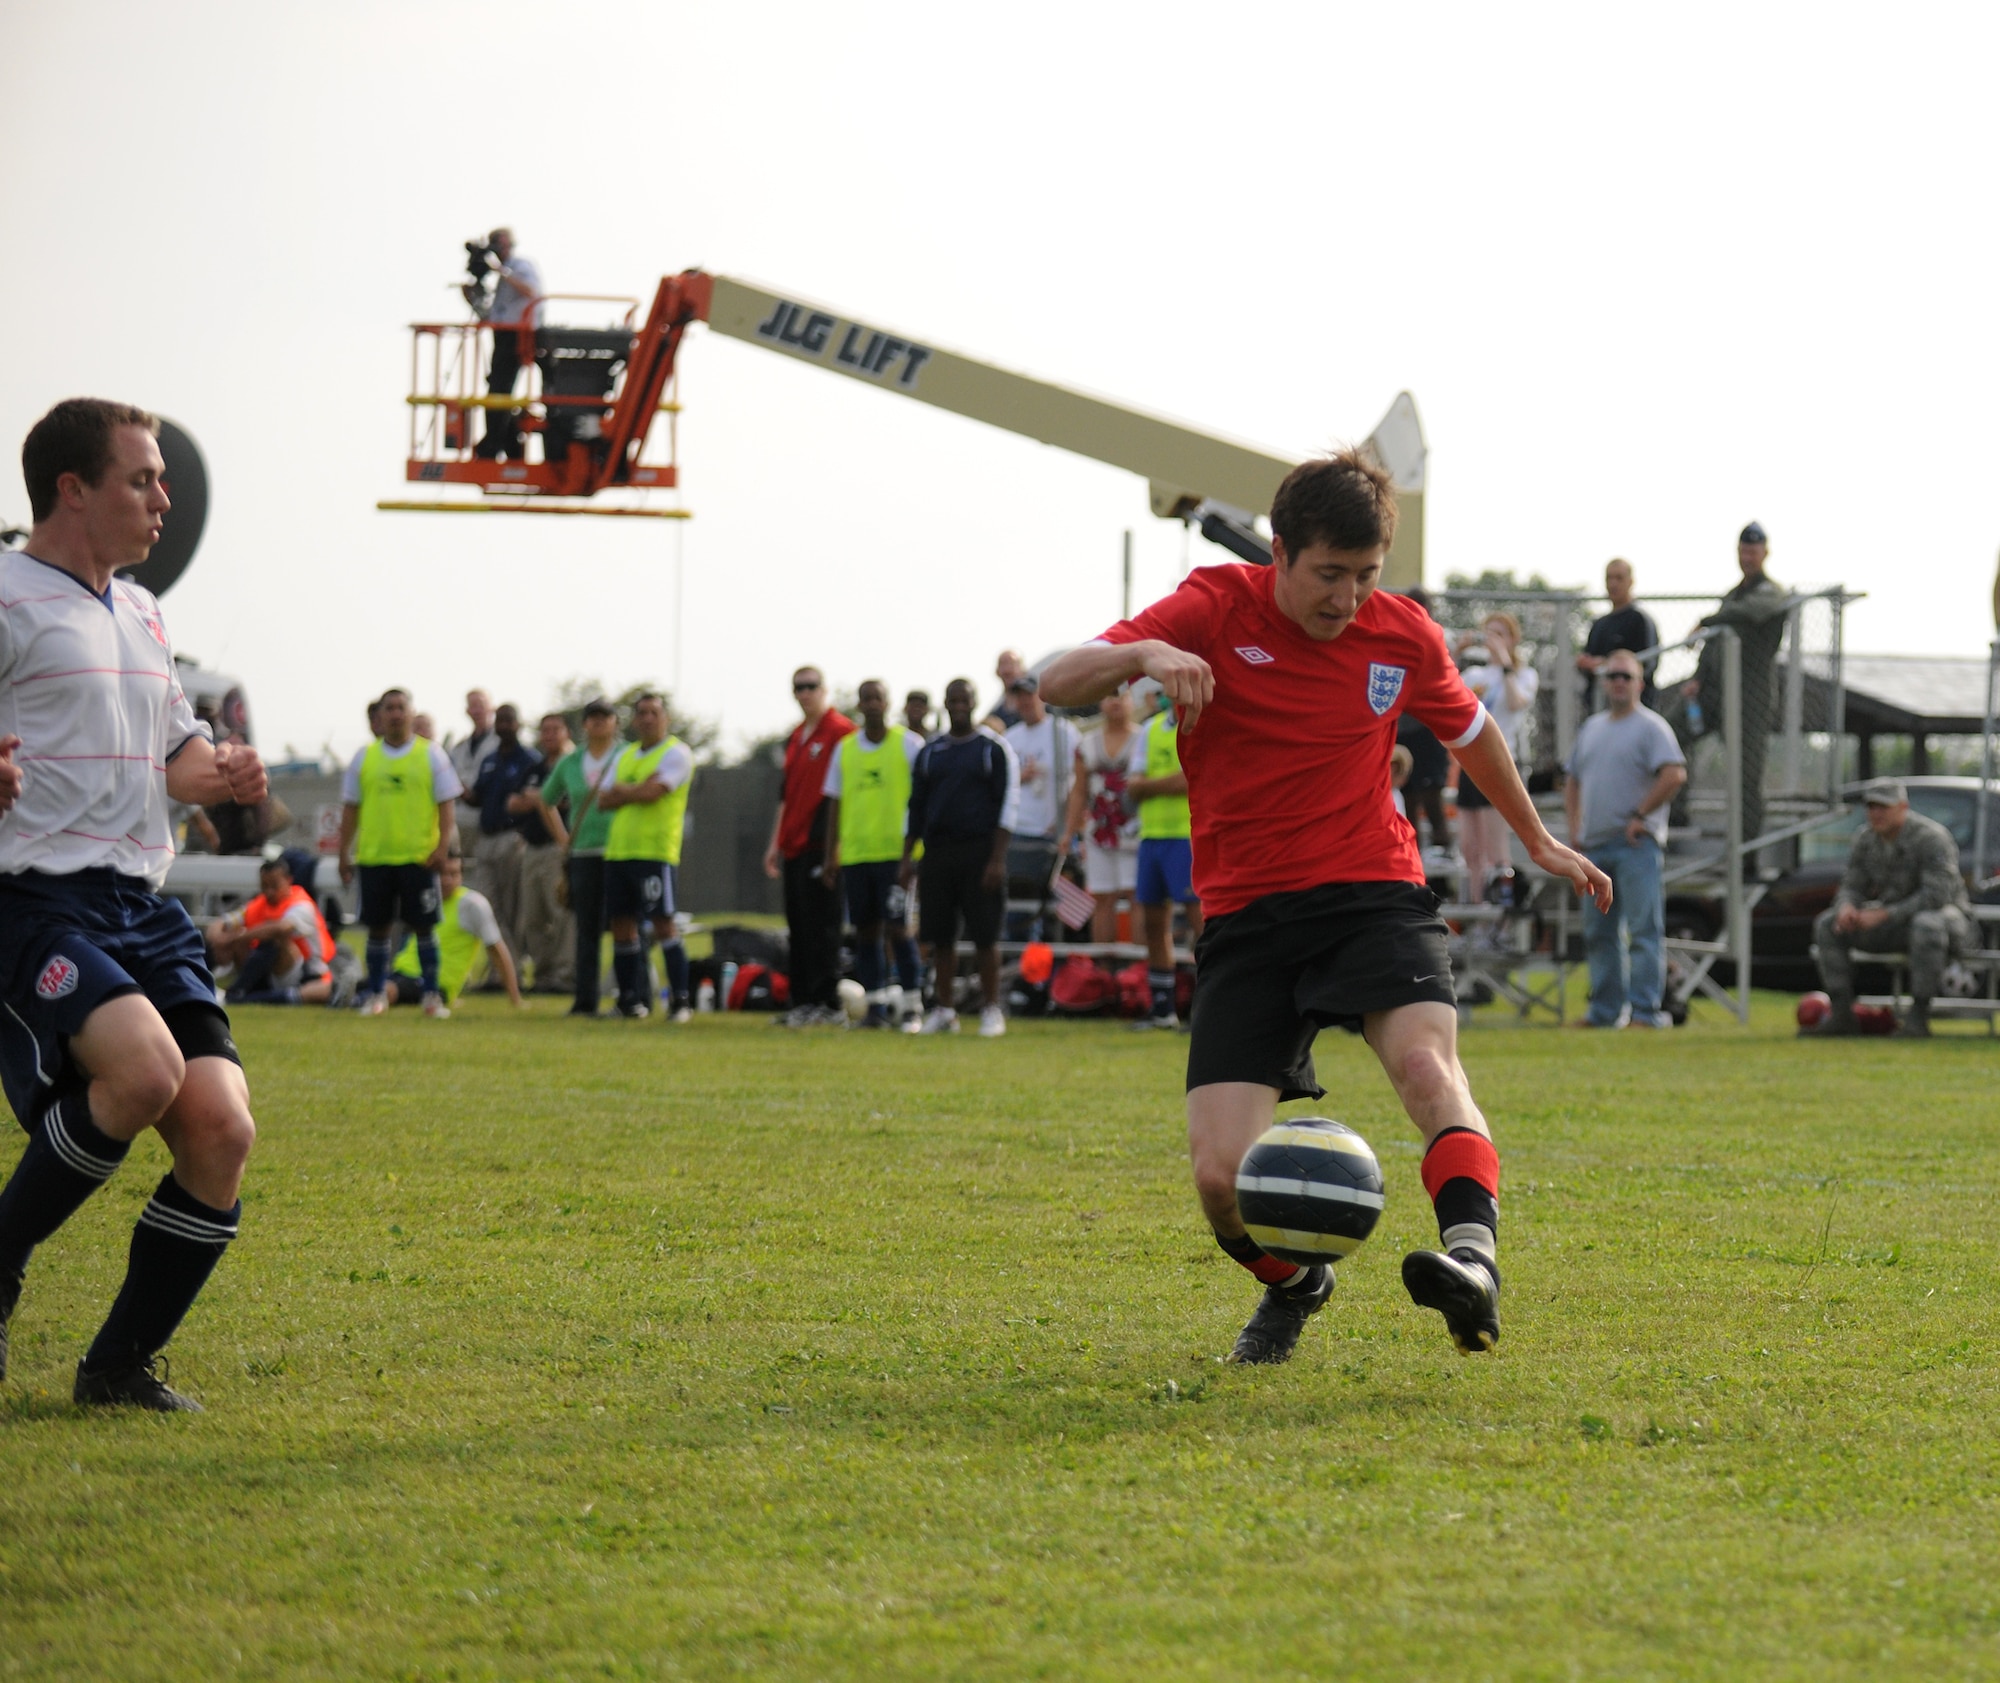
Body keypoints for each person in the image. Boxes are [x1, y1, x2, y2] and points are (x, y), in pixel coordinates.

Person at [1039, 448, 1611, 1365]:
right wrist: (1146, 653)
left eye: (1366, 574)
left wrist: (1537, 839)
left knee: (1426, 1066)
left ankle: (1474, 1265)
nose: (1347, 598)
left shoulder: (1403, 633)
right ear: (1278, 552)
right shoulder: (1212, 605)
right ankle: (1298, 1284)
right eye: (1329, 573)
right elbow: (1058, 683)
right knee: (1219, 1179)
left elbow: (1472, 731)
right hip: (1247, 917)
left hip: (1372, 895)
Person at [0, 398, 270, 1411]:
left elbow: (176, 757)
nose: (164, 498)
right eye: (143, 479)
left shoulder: (144, 610)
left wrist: (222, 770)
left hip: (140, 906)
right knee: (146, 1072)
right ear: (73, 490)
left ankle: (116, 1368)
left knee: (221, 1132)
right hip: (36, 901)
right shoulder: (6, 593)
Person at [1562, 651, 1687, 1028]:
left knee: (1643, 931)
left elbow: (1674, 774)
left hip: (1635, 846)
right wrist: (1574, 828)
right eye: (1613, 675)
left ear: (1640, 684)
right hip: (1594, 847)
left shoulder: (1653, 727)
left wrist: (1640, 816)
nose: (1619, 682)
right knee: (1599, 933)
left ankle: (1645, 1013)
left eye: (1626, 676)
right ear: (1603, 682)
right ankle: (1604, 1012)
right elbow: (1572, 780)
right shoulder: (1592, 728)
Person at [1805, 780, 1976, 1039]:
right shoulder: (1866, 839)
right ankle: (1841, 1015)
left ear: (1903, 807)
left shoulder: (1931, 838)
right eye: (1871, 806)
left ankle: (1918, 1018)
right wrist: (1847, 907)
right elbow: (1852, 884)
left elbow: (1937, 895)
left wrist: (1884, 914)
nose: (1876, 813)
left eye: (1883, 807)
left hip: (1949, 922)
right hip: (1898, 923)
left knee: (1926, 924)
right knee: (1828, 924)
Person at [902, 679, 1018, 1037]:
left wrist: (996, 859)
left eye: (964, 700)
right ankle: (945, 1009)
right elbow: (916, 807)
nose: (958, 706)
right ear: (945, 704)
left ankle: (991, 1009)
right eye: (952, 700)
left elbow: (1007, 805)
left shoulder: (992, 748)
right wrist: (907, 857)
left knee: (985, 935)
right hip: (938, 852)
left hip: (980, 851)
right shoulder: (931, 751)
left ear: (974, 702)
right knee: (940, 936)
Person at [337, 687, 463, 1017]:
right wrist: (343, 852)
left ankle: (431, 997)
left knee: (424, 928)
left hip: (419, 859)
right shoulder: (364, 758)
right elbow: (350, 808)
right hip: (375, 858)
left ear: (410, 713)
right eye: (389, 708)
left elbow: (446, 804)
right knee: (377, 929)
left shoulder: (431, 755)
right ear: (379, 716)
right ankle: (377, 995)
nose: (395, 714)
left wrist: (442, 847)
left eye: (400, 707)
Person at [823, 679, 924, 1030]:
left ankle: (912, 1006)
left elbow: (923, 798)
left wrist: (913, 854)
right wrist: (831, 854)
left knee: (899, 929)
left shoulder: (909, 745)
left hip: (896, 856)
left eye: (877, 698)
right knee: (866, 932)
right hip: (856, 856)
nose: (871, 704)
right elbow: (834, 804)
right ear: (859, 705)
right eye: (865, 699)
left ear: (887, 702)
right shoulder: (845, 749)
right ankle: (875, 1008)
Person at [1689, 522, 1789, 862]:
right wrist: (1698, 678)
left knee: (1747, 776)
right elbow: (1714, 644)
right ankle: (1674, 816)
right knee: (1670, 735)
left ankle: (1745, 857)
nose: (1747, 557)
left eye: (1753, 551)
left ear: (1765, 553)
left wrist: (1709, 619)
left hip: (1750, 699)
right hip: (1714, 693)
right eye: (1743, 551)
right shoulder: (1731, 594)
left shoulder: (1770, 592)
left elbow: (1748, 614)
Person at [763, 666, 854, 1028]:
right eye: (798, 688)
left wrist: (837, 847)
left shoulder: (841, 731)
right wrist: (774, 843)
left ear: (824, 689)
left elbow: (844, 794)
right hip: (794, 844)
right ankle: (802, 1001)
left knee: (823, 928)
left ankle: (828, 1003)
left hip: (822, 844)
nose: (805, 694)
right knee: (798, 927)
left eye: (811, 686)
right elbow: (785, 796)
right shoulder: (797, 736)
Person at [598, 694, 694, 1020]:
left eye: (654, 712)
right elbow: (603, 800)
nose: (648, 718)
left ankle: (680, 1001)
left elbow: (655, 793)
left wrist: (626, 790)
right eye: (642, 713)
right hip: (619, 851)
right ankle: (629, 1001)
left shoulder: (676, 753)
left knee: (663, 924)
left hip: (655, 852)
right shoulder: (624, 755)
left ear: (666, 718)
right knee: (621, 925)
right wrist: (636, 790)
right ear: (634, 720)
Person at [536, 699, 621, 1016]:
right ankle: (585, 1000)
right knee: (587, 930)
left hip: (620, 852)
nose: (598, 722)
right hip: (583, 853)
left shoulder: (626, 755)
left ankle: (631, 996)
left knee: (626, 925)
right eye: (592, 717)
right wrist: (563, 840)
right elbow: (546, 800)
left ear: (615, 722)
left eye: (605, 717)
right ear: (584, 724)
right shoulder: (571, 762)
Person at [1127, 697, 1203, 1030]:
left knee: (1200, 923)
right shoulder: (1152, 728)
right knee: (1154, 925)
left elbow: (1193, 778)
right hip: (1151, 837)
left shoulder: (1200, 724)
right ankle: (1162, 1009)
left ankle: (1206, 1008)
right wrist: (1168, 782)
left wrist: (1149, 786)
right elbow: (1132, 787)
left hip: (1187, 836)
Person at [1454, 612, 1539, 898]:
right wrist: (1457, 653)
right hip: (1470, 761)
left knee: (1496, 847)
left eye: (1499, 634)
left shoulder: (1524, 674)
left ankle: (1500, 909)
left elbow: (1516, 703)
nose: (1492, 640)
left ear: (1513, 639)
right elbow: (1444, 691)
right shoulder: (1475, 675)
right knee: (1471, 848)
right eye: (1488, 633)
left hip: (1501, 761)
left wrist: (1504, 662)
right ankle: (1478, 909)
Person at [380, 850, 523, 1012]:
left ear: (462, 876)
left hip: (435, 983)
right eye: (441, 874)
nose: (446, 880)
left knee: (386, 991)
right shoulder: (428, 900)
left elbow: (496, 950)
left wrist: (515, 999)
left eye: (453, 874)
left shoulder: (472, 904)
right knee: (367, 985)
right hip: (401, 973)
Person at [206, 855, 343, 1006]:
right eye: (264, 886)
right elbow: (221, 923)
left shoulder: (302, 905)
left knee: (274, 938)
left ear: (288, 880)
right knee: (236, 937)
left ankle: (235, 992)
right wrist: (219, 940)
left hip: (308, 972)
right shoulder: (258, 904)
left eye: (274, 886)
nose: (269, 892)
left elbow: (282, 928)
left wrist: (236, 938)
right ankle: (210, 982)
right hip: (269, 969)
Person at [1062, 685, 1140, 944]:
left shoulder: (1144, 738)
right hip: (1098, 831)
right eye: (1109, 697)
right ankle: (1103, 964)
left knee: (1136, 895)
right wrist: (1069, 832)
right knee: (1102, 896)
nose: (1115, 702)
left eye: (1122, 696)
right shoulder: (1086, 744)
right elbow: (1079, 791)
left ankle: (1141, 962)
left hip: (1136, 830)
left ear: (1131, 701)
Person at [1001, 674, 1080, 933]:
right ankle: (1023, 953)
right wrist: (1019, 778)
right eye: (1019, 696)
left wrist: (1066, 824)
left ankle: (1054, 951)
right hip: (1018, 831)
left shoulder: (1064, 732)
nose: (1025, 701)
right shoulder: (1010, 738)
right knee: (1019, 904)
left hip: (1051, 831)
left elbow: (1079, 783)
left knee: (1057, 906)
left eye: (1029, 695)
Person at [466, 702, 541, 967]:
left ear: (518, 724)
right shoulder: (490, 759)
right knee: (487, 905)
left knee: (512, 909)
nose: (504, 726)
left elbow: (537, 802)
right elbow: (477, 798)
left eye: (509, 720)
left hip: (512, 838)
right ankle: (498, 968)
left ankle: (512, 968)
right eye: (500, 721)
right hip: (486, 838)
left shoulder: (530, 759)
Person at [470, 227, 543, 462]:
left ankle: (493, 445)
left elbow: (530, 291)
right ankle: (506, 444)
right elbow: (492, 313)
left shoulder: (520, 266)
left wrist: (500, 270)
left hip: (519, 336)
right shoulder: (504, 277)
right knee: (498, 390)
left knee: (499, 391)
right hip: (503, 335)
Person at [514, 712, 574, 994]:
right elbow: (514, 802)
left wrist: (538, 798)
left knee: (561, 912)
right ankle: (543, 975)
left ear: (566, 732)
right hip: (532, 848)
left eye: (555, 729)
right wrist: (540, 799)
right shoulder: (535, 767)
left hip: (558, 847)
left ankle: (565, 975)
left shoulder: (573, 765)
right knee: (533, 916)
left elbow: (564, 800)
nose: (549, 735)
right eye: (545, 730)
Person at [1576, 558, 1661, 712]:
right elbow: (1588, 661)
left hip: (1633, 711)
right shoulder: (1599, 624)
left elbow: (1648, 664)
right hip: (1600, 709)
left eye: (1619, 578)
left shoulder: (1640, 620)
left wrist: (1607, 665)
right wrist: (1584, 664)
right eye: (1609, 578)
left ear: (1631, 582)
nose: (1613, 584)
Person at [448, 689, 496, 849]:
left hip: (486, 820)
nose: (477, 711)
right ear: (467, 711)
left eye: (481, 705)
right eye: (472, 706)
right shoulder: (459, 748)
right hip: (460, 820)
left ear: (492, 708)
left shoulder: (500, 744)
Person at [981, 650, 1028, 732]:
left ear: (1022, 669)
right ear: (997, 672)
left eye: (1012, 664)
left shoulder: (1040, 709)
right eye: (1003, 664)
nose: (1007, 670)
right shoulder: (996, 718)